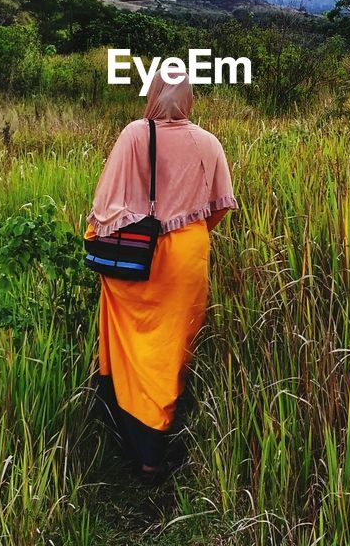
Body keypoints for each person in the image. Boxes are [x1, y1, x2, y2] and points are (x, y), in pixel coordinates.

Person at [85, 71, 237, 477]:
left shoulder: (136, 134)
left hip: (139, 258)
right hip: (189, 255)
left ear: (152, 94)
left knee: (136, 345)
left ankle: (136, 442)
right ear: (189, 98)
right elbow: (219, 207)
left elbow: (105, 210)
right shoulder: (209, 143)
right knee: (173, 348)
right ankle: (164, 439)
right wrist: (185, 232)